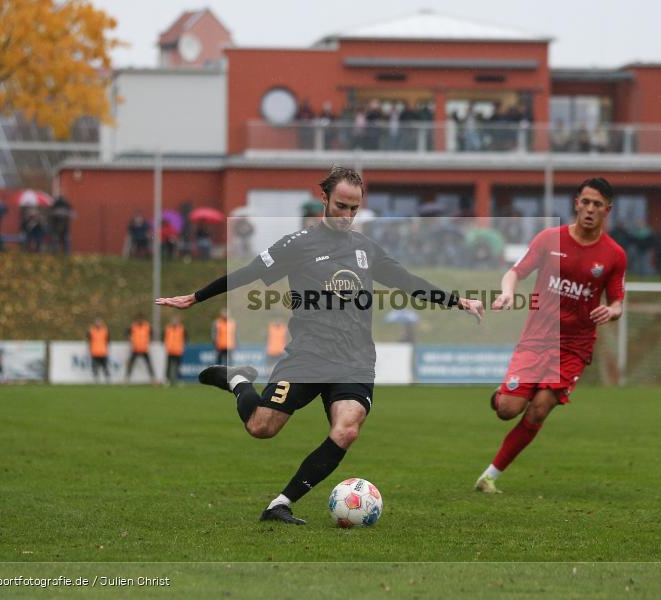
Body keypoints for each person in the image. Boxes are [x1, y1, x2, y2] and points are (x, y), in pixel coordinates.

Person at [156, 166, 484, 525]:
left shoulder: (366, 249)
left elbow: (406, 281)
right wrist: (196, 297)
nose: (347, 216)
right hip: (310, 354)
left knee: (347, 428)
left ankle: (280, 503)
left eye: (354, 209)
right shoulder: (297, 245)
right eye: (341, 206)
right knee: (261, 427)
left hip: (354, 358)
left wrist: (458, 301)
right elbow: (247, 272)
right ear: (324, 199)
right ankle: (238, 381)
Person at [474, 177, 627, 494]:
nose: (589, 209)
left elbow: (617, 301)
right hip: (537, 339)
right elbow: (515, 271)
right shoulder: (548, 239)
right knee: (507, 410)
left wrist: (611, 311)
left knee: (540, 408)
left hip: (574, 347)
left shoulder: (614, 255)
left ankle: (489, 476)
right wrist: (507, 293)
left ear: (607, 210)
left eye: (597, 204)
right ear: (576, 203)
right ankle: (501, 395)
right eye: (585, 202)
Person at [125, 313, 156, 384]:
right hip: (135, 348)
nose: (140, 320)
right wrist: (130, 339)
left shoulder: (147, 326)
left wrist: (149, 340)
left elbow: (152, 334)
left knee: (149, 365)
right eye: (138, 319)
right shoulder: (133, 326)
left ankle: (154, 379)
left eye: (141, 319)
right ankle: (126, 379)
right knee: (130, 365)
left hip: (144, 349)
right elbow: (127, 333)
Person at [164, 315, 186, 385]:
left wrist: (182, 347)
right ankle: (167, 380)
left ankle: (178, 379)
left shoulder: (181, 329)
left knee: (178, 366)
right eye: (173, 320)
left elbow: (185, 339)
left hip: (178, 350)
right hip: (170, 350)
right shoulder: (168, 329)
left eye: (176, 320)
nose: (175, 322)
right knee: (169, 366)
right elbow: (165, 338)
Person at [87, 318, 110, 382]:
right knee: (94, 367)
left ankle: (107, 379)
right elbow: (88, 339)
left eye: (99, 322)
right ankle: (96, 379)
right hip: (94, 351)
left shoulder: (105, 330)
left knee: (105, 366)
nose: (98, 324)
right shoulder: (91, 330)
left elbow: (108, 340)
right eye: (97, 322)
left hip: (103, 351)